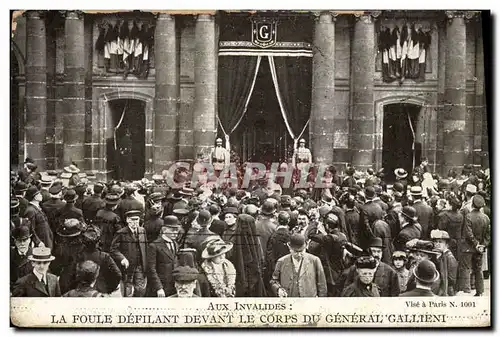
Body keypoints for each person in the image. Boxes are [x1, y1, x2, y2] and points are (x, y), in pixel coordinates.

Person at [270, 233, 327, 298]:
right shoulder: (281, 262)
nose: (299, 255)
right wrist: (278, 289)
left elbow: (322, 285)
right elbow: (274, 281)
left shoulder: (315, 260)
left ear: (305, 246)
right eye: (296, 252)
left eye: (301, 251)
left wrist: (321, 302)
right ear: (289, 247)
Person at [457, 195, 490, 296]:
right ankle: (480, 291)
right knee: (478, 269)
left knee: (466, 269)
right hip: (479, 248)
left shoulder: (468, 216)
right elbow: (488, 235)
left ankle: (466, 292)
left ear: (472, 204)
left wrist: (476, 244)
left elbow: (468, 233)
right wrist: (482, 245)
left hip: (468, 247)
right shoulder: (486, 218)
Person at [110, 209, 147, 297]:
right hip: (127, 268)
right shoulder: (121, 233)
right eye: (132, 220)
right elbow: (113, 250)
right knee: (127, 291)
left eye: (136, 219)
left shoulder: (142, 231)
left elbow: (145, 247)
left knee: (140, 290)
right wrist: (122, 258)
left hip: (139, 266)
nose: (135, 222)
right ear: (127, 220)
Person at [146, 221, 181, 297]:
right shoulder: (154, 246)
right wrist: (159, 288)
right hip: (159, 289)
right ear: (164, 230)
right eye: (172, 230)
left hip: (172, 286)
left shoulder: (175, 244)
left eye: (177, 230)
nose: (175, 233)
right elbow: (151, 269)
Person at [24, 185, 53, 250]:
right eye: (39, 194)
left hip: (45, 240)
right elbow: (31, 229)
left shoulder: (37, 207)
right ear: (35, 197)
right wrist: (38, 242)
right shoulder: (30, 210)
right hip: (41, 243)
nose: (41, 195)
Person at [431, 230, 458, 296]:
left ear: (447, 244)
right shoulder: (437, 255)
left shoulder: (449, 257)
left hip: (447, 290)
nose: (437, 244)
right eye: (435, 242)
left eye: (440, 242)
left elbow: (452, 279)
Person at [10, 226, 34, 291]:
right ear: (15, 241)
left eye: (25, 240)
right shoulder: (9, 255)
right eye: (19, 241)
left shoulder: (36, 254)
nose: (22, 243)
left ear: (29, 240)